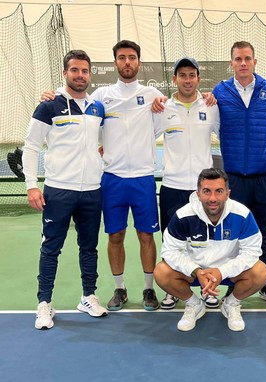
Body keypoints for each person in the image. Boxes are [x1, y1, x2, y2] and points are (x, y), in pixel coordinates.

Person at [23, 50, 108, 330]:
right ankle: (44, 303)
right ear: (65, 73)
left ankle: (88, 297)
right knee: (50, 249)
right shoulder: (49, 105)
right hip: (58, 191)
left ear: (89, 74)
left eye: (84, 71)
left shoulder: (97, 107)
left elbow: (104, 142)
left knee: (89, 248)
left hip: (92, 191)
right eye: (75, 70)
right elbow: (32, 146)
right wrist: (32, 186)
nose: (80, 75)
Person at [88, 40, 164, 311]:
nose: (127, 62)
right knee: (115, 236)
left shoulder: (153, 94)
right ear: (115, 62)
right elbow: (87, 124)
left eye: (132, 57)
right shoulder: (100, 95)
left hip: (143, 177)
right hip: (112, 178)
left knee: (146, 236)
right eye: (122, 57)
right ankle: (119, 289)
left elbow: (159, 128)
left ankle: (148, 289)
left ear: (139, 62)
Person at [212, 41, 266, 306]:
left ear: (255, 62)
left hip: (263, 177)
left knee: (264, 232)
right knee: (233, 234)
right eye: (238, 59)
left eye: (247, 59)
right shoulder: (220, 92)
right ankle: (234, 284)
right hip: (233, 179)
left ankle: (265, 282)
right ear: (231, 63)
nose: (243, 63)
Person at [154, 168, 266, 331]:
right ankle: (194, 305)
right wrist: (196, 271)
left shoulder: (243, 215)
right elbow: (169, 252)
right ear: (198, 193)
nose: (213, 198)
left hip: (229, 272)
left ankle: (231, 304)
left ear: (227, 194)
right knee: (161, 272)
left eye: (219, 191)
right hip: (195, 274)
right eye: (207, 191)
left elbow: (252, 253)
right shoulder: (182, 216)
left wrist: (221, 271)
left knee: (261, 272)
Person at [156, 57, 221, 310]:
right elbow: (140, 132)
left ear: (198, 79)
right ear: (174, 79)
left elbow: (225, 133)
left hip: (203, 191)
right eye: (182, 75)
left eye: (191, 75)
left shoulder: (211, 106)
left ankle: (209, 290)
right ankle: (173, 289)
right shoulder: (162, 109)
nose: (187, 79)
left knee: (206, 242)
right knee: (172, 240)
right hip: (172, 185)